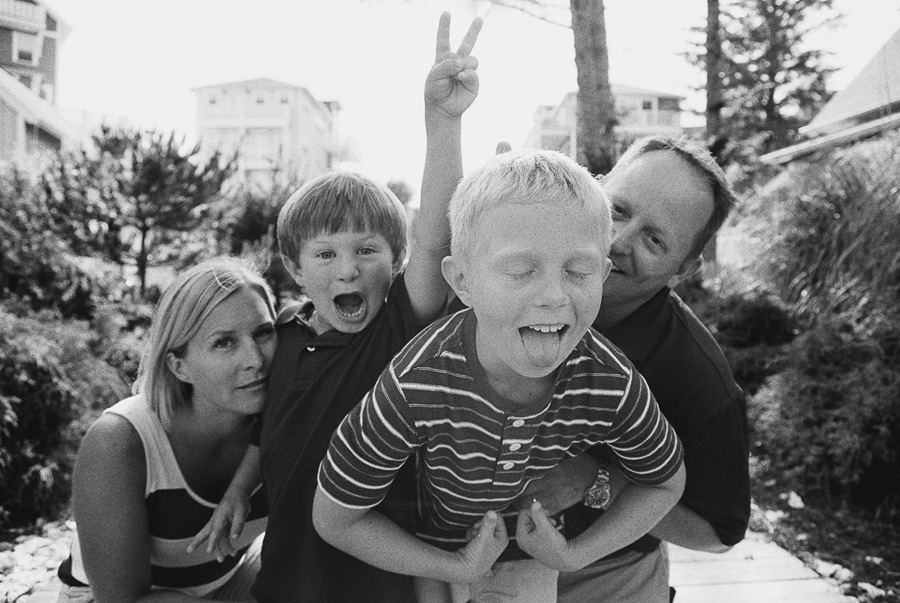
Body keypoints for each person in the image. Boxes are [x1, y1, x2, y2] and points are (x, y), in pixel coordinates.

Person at [312, 148, 687, 603]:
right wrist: (453, 566)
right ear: (462, 281)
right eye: (519, 270)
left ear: (603, 274)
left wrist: (573, 556)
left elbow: (667, 480)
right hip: (430, 555)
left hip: (531, 561)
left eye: (579, 270)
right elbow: (335, 517)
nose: (553, 296)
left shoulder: (611, 382)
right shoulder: (415, 384)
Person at [236, 13, 483, 603]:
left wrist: (442, 122)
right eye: (324, 253)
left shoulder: (398, 326)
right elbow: (264, 433)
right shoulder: (281, 335)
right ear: (295, 269)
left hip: (382, 585)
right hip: (285, 584)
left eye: (367, 250)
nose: (346, 269)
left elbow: (436, 236)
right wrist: (234, 495)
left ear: (396, 262)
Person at [523, 137, 751, 603]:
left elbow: (719, 533)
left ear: (685, 267)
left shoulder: (696, 378)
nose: (617, 242)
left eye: (655, 239)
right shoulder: (512, 273)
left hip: (606, 579)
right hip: (464, 562)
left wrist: (600, 482)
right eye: (618, 210)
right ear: (595, 189)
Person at [56, 257, 276, 602]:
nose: (255, 359)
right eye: (224, 342)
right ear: (179, 365)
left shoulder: (285, 421)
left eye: (263, 333)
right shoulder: (121, 441)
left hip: (225, 588)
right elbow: (122, 600)